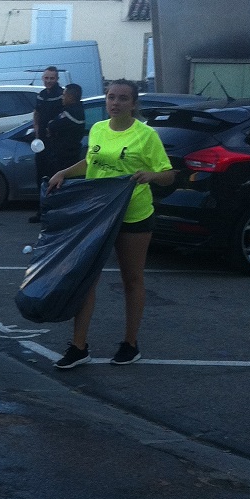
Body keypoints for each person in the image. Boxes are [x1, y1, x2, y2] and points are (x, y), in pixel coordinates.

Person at [47, 78, 175, 368]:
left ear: (133, 103)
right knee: (86, 278)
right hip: (97, 214)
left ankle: (130, 344)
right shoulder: (97, 129)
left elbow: (168, 173)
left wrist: (151, 175)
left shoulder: (146, 135)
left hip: (133, 214)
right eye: (111, 97)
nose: (115, 103)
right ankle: (79, 347)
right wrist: (64, 173)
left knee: (132, 280)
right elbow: (91, 163)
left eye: (122, 98)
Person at [29, 65, 65, 222]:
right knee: (40, 177)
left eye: (52, 78)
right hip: (41, 142)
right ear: (42, 78)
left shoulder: (62, 95)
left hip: (56, 144)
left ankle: (55, 212)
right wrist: (36, 131)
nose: (49, 81)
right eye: (46, 78)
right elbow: (36, 113)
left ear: (57, 79)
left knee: (54, 177)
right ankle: (42, 211)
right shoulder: (41, 95)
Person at [44, 83, 86, 176]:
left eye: (64, 95)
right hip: (66, 154)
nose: (62, 97)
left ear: (70, 97)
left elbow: (52, 126)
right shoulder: (73, 110)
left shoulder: (72, 113)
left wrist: (51, 126)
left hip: (66, 157)